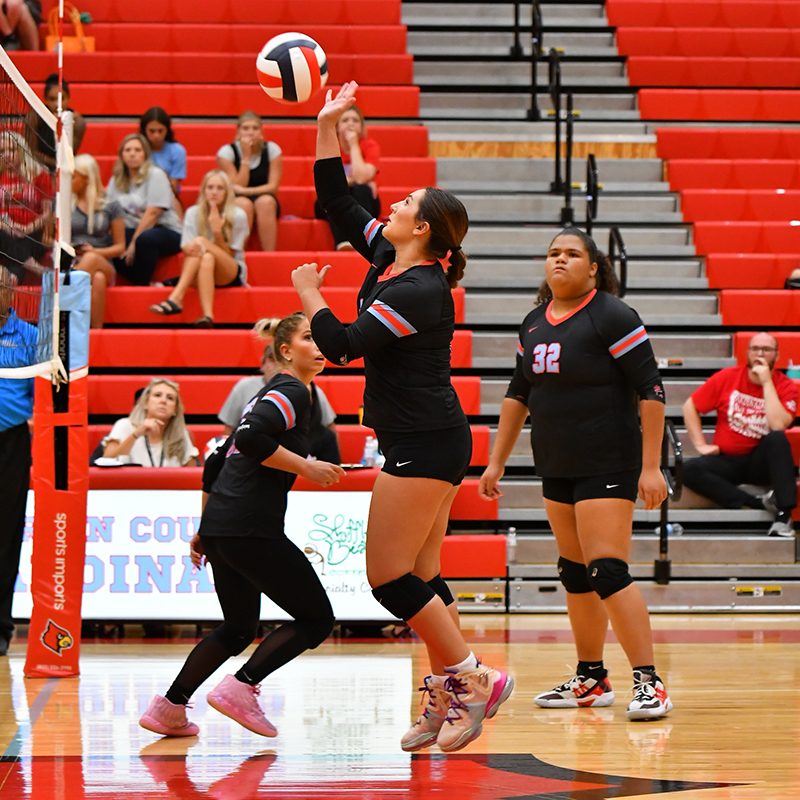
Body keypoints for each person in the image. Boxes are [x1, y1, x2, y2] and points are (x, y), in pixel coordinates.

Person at [291, 82, 513, 754]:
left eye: (406, 204)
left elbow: (343, 345)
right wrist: (328, 124)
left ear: (424, 229)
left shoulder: (421, 288)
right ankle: (447, 692)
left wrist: (308, 295)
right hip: (428, 438)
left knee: (387, 578)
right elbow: (336, 197)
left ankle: (473, 679)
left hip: (426, 442)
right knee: (424, 577)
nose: (390, 205)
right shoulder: (393, 259)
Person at [479, 227, 673, 721]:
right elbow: (517, 394)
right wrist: (496, 460)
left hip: (609, 460)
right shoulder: (533, 323)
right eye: (553, 253)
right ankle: (591, 678)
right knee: (575, 572)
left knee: (607, 569)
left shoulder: (612, 314)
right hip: (556, 463)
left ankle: (650, 683)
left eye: (572, 254)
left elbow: (651, 390)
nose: (560, 260)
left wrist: (651, 467)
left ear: (593, 268)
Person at [138, 313, 344, 738]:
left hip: (224, 524)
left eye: (320, 337)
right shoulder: (292, 390)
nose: (319, 345)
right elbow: (249, 442)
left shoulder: (271, 393)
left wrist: (205, 525)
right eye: (309, 338)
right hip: (250, 524)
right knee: (316, 619)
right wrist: (306, 466)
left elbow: (216, 460)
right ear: (285, 351)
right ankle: (242, 686)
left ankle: (170, 707)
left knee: (238, 628)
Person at [682, 332, 798, 537]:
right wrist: (700, 444)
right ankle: (754, 502)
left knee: (777, 438)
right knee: (688, 469)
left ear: (777, 356)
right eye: (755, 349)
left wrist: (766, 383)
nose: (760, 354)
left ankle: (783, 514)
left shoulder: (786, 386)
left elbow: (778, 424)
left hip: (761, 463)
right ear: (748, 353)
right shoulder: (727, 377)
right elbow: (690, 406)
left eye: (766, 350)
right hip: (728, 462)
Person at [148, 170, 249, 327]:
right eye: (210, 187)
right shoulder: (193, 213)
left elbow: (230, 254)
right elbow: (186, 248)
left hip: (229, 272)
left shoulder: (238, 215)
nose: (214, 192)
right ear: (203, 190)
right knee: (206, 256)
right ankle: (208, 316)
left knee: (200, 241)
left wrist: (217, 233)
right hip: (200, 269)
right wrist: (194, 247)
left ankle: (175, 298)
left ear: (227, 192)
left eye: (219, 188)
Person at [218, 334, 340, 464]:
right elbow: (234, 433)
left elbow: (329, 430)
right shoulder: (245, 387)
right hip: (251, 464)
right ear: (263, 362)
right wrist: (305, 468)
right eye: (271, 359)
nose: (275, 366)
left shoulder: (309, 390)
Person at [0, 267, 37, 655]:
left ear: (12, 293)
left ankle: (0, 629)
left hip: (11, 442)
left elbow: (44, 395)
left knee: (5, 536)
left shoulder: (28, 336)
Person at [105, 133, 183, 286]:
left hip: (166, 229)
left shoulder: (156, 174)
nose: (132, 154)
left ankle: (142, 286)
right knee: (108, 241)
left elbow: (153, 213)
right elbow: (110, 213)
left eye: (137, 150)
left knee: (145, 239)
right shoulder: (116, 180)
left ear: (145, 154)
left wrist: (134, 242)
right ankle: (147, 283)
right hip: (132, 228)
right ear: (122, 154)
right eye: (128, 150)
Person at [70, 154, 126, 329]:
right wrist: (72, 249)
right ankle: (95, 332)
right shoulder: (64, 202)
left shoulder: (111, 205)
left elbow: (120, 247)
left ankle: (66, 295)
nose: (68, 180)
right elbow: (47, 237)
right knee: (98, 279)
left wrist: (93, 252)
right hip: (71, 258)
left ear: (86, 179)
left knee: (93, 261)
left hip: (103, 260)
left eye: (73, 176)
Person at [314, 105, 380, 251]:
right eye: (345, 120)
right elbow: (326, 184)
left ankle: (362, 241)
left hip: (364, 200)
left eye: (355, 120)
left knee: (361, 190)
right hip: (330, 201)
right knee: (336, 197)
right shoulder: (330, 144)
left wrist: (354, 145)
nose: (350, 123)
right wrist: (353, 180)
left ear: (362, 128)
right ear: (337, 127)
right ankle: (343, 242)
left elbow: (361, 178)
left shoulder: (370, 145)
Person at [216, 111, 282, 252]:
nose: (250, 133)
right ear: (238, 132)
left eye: (255, 128)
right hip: (238, 198)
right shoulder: (227, 152)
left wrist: (248, 191)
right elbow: (237, 186)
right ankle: (238, 256)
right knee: (243, 204)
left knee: (265, 202)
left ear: (261, 132)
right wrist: (246, 157)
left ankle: (269, 255)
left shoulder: (272, 149)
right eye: (246, 128)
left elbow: (273, 187)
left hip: (265, 197)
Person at [102, 378, 198, 467]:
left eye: (170, 398)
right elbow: (107, 460)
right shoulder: (125, 425)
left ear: (175, 409)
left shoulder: (180, 433)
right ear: (145, 403)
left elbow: (192, 472)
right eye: (157, 395)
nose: (163, 401)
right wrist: (136, 434)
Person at [0, 130, 54, 282]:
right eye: (2, 151)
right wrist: (7, 227)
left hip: (33, 232)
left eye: (12, 150)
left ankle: (11, 280)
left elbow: (48, 212)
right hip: (3, 232)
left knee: (19, 249)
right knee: (3, 236)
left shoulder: (39, 174)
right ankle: (36, 268)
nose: (7, 155)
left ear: (22, 151)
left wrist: (27, 228)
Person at [27, 75, 86, 171]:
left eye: (62, 99)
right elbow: (31, 151)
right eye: (52, 99)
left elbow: (69, 155)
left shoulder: (78, 121)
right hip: (38, 164)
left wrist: (64, 126)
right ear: (45, 99)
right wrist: (55, 164)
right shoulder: (34, 117)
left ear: (68, 98)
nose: (57, 104)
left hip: (65, 165)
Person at [140, 107, 186, 217]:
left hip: (168, 196)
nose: (156, 135)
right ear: (144, 130)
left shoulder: (178, 151)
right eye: (152, 131)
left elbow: (173, 187)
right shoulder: (138, 149)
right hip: (140, 195)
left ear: (167, 130)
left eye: (160, 131)